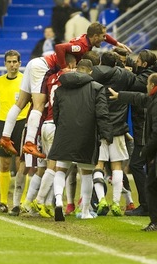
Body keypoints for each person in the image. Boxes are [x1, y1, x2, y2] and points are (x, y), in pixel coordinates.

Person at [0, 22, 131, 159]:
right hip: (44, 66)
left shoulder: (87, 38)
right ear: (95, 36)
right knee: (38, 104)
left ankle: (5, 137)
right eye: (103, 37)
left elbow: (99, 35)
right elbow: (59, 47)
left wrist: (116, 43)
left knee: (20, 102)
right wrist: (63, 68)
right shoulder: (81, 46)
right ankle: (30, 142)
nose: (105, 39)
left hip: (35, 63)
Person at [109, 72, 157, 231]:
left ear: (152, 85)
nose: (146, 86)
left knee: (151, 186)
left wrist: (146, 151)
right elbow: (141, 98)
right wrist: (120, 96)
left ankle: (155, 221)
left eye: (147, 84)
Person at [48, 59, 112, 221]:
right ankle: (84, 211)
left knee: (60, 170)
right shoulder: (97, 88)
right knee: (86, 174)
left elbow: (56, 114)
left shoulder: (61, 89)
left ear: (77, 69)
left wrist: (62, 128)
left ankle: (58, 202)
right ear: (91, 71)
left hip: (64, 134)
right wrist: (106, 135)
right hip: (87, 136)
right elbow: (102, 114)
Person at [124, 49, 157, 217]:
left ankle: (147, 204)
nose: (135, 63)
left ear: (144, 64)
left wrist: (122, 71)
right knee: (152, 167)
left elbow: (134, 83)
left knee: (137, 164)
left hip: (144, 128)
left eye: (137, 61)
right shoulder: (149, 73)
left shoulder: (145, 78)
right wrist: (127, 62)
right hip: (145, 127)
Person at [32, 53, 77, 218]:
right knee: (54, 166)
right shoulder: (67, 77)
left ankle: (45, 202)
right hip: (56, 125)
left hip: (46, 124)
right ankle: (40, 200)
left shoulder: (50, 77)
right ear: (71, 65)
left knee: (52, 165)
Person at [91, 51, 136, 216]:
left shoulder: (93, 73)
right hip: (118, 127)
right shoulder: (124, 76)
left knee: (99, 164)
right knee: (117, 166)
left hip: (99, 127)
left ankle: (101, 199)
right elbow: (136, 80)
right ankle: (116, 203)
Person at [0, 50, 30, 213]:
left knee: (21, 164)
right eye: (9, 62)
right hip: (4, 124)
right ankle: (3, 201)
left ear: (19, 63)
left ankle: (22, 201)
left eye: (15, 61)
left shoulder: (25, 80)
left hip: (21, 123)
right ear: (5, 64)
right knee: (4, 164)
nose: (12, 64)